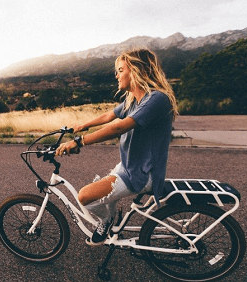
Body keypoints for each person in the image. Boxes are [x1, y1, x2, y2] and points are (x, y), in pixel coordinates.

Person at [55, 48, 178, 245]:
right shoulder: (134, 100)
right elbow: (110, 115)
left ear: (137, 71)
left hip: (143, 173)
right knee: (105, 193)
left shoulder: (156, 99)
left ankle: (106, 221)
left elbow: (117, 127)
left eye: (121, 70)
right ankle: (111, 221)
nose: (116, 75)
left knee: (85, 196)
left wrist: (79, 141)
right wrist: (82, 126)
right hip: (129, 166)